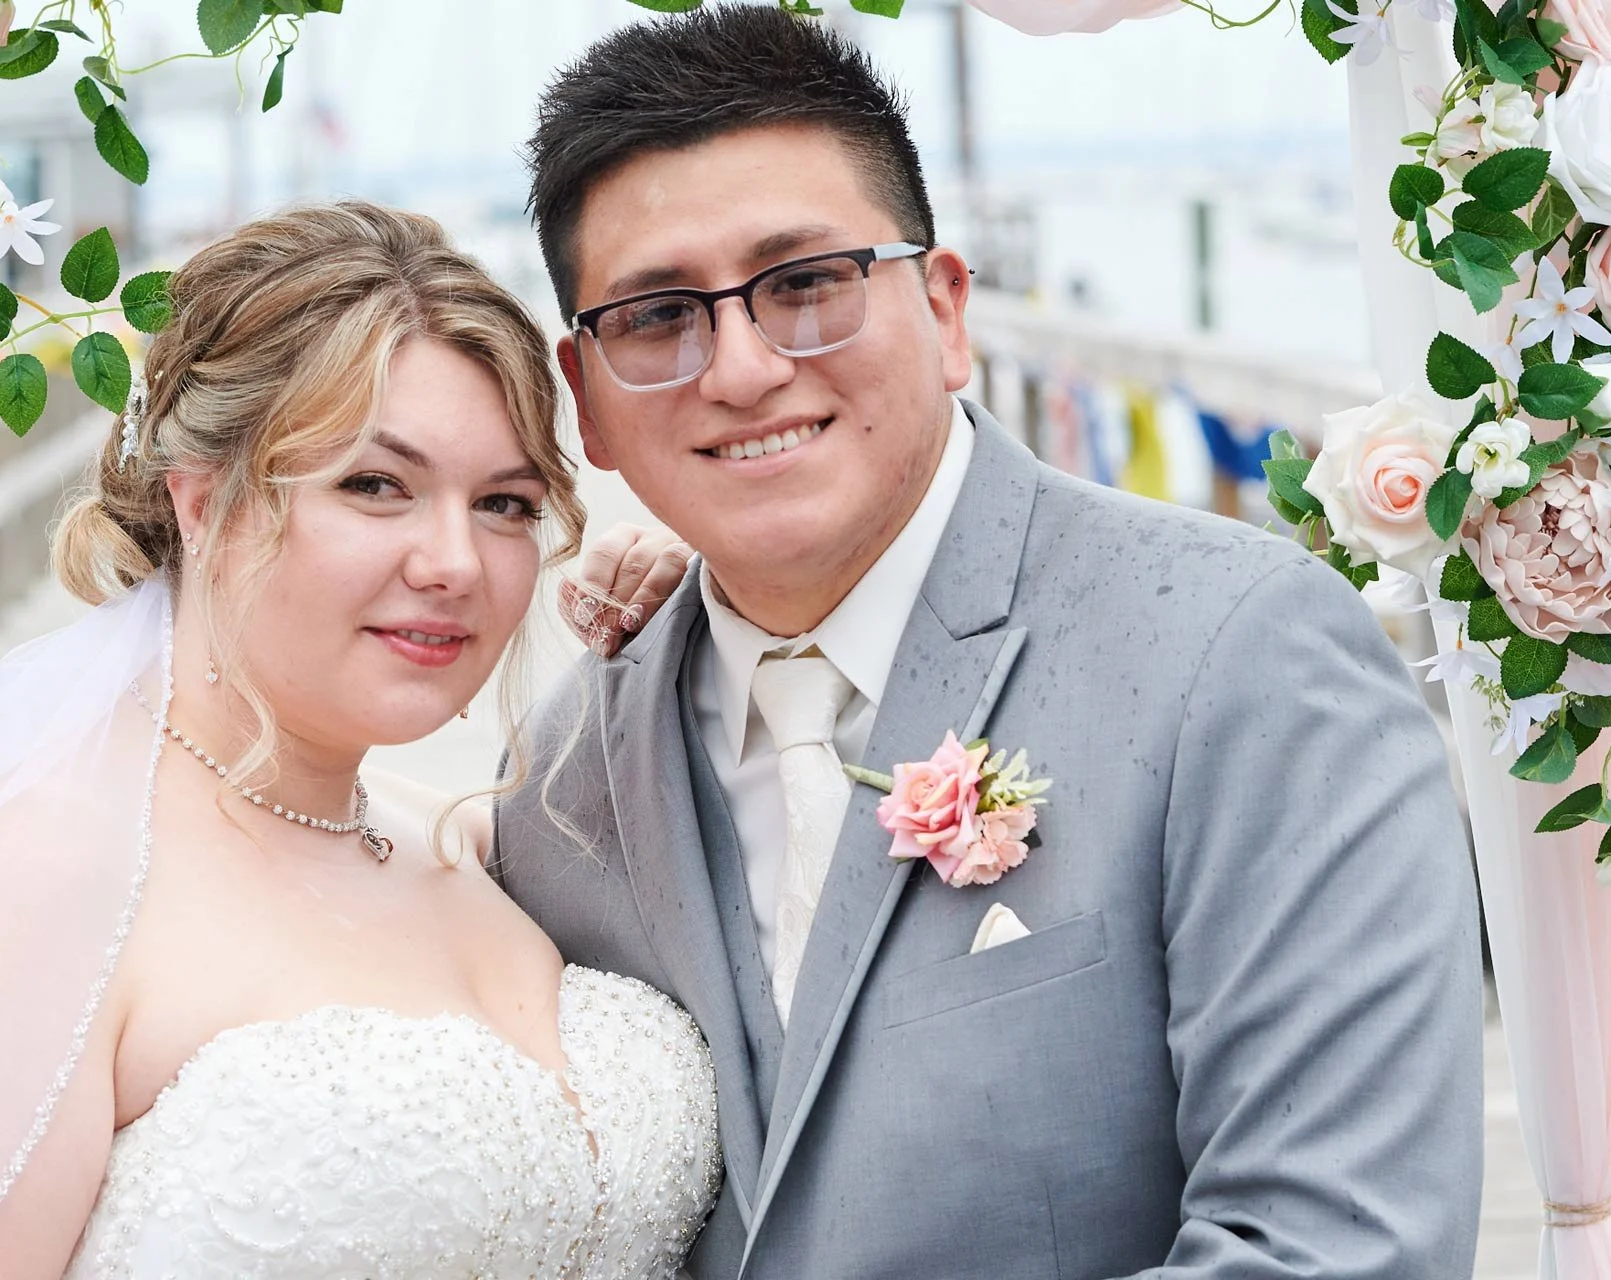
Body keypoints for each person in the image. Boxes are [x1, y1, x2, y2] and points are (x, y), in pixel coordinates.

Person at [494, 8, 1485, 1279]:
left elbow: (1343, 1247)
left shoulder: (1240, 654)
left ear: (947, 308)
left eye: (805, 284)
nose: (738, 369)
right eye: (657, 316)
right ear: (589, 402)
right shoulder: (562, 778)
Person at [0, 202, 721, 1279]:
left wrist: (707, 636)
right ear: (204, 499)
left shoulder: (460, 843)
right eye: (374, 484)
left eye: (503, 502)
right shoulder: (39, 874)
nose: (456, 560)